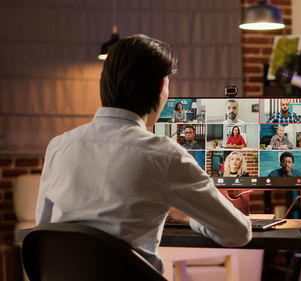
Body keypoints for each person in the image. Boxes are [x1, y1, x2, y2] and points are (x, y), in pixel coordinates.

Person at [35, 34, 251, 274]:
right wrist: (189, 218)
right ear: (161, 87)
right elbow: (238, 232)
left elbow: (44, 229)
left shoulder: (59, 146)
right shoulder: (165, 154)